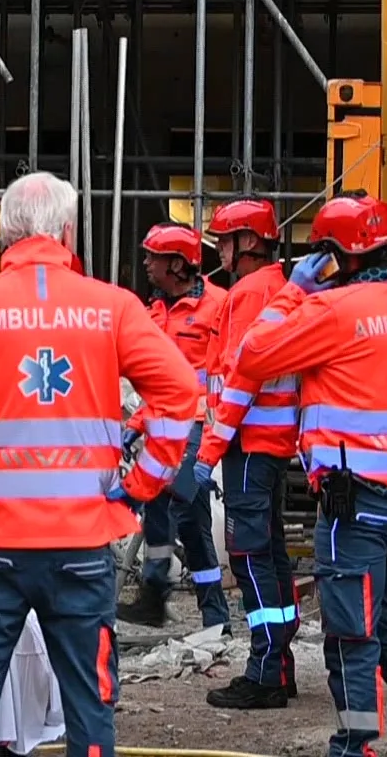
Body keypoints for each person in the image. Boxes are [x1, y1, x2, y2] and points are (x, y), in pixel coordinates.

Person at [0, 172, 200, 757]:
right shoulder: (113, 309)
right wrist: (140, 488)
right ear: (68, 231)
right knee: (90, 696)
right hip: (82, 545)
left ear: (4, 232)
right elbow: (180, 395)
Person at [226, 194, 387, 757]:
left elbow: (252, 353)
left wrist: (295, 288)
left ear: (335, 256)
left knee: (350, 641)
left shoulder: (332, 313)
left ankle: (354, 745)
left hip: (350, 509)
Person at [193, 198, 301, 708]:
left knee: (251, 556)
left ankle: (266, 673)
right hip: (268, 444)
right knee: (271, 554)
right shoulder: (279, 290)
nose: (220, 249)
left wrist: (208, 450)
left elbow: (240, 379)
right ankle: (279, 664)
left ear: (248, 243)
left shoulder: (251, 294)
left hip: (247, 443)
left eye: (226, 240)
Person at [118, 222, 230, 632]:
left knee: (182, 507)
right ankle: (157, 594)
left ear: (179, 265)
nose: (146, 263)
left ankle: (211, 612)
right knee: (162, 509)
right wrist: (135, 424)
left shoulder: (219, 306)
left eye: (153, 256)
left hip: (199, 428)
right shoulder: (155, 312)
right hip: (163, 429)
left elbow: (229, 373)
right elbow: (152, 382)